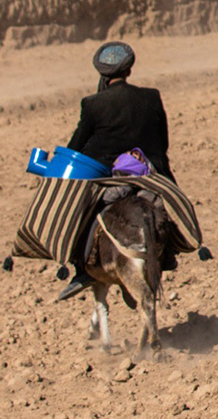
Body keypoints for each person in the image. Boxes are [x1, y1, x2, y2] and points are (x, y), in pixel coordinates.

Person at [57, 41, 174, 300]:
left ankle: (81, 267)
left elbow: (76, 147)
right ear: (129, 70)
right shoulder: (151, 97)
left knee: (78, 213)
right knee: (172, 208)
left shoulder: (93, 104)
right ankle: (170, 252)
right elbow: (163, 142)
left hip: (107, 175)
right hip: (147, 171)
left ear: (102, 73)